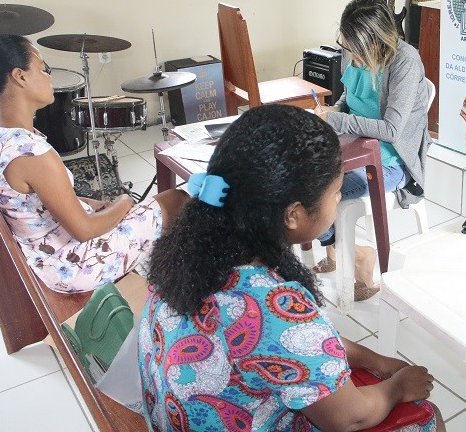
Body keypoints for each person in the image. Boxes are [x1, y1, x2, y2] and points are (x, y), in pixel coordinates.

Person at [139, 104, 444, 431]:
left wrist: (376, 361)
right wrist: (398, 387)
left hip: (175, 418)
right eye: (336, 192)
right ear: (293, 214)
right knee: (426, 416)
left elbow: (296, 341)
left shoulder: (188, 249)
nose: (339, 199)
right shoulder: (276, 308)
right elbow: (349, 417)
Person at [0, 34, 188, 293]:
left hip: (43, 254)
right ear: (20, 77)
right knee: (178, 200)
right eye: (43, 69)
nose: (49, 77)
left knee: (153, 209)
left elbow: (32, 203)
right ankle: (183, 288)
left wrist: (87, 203)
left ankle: (164, 272)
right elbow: (84, 230)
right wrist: (124, 201)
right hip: (72, 266)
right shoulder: (32, 154)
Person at [313, 0, 432, 301]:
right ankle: (341, 250)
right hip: (354, 148)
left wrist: (337, 121)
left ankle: (361, 257)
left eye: (352, 47)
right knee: (296, 180)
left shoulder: (405, 61)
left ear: (374, 43)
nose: (347, 53)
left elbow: (392, 130)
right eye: (345, 44)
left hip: (392, 162)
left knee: (318, 194)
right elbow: (348, 100)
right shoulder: (354, 55)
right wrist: (330, 113)